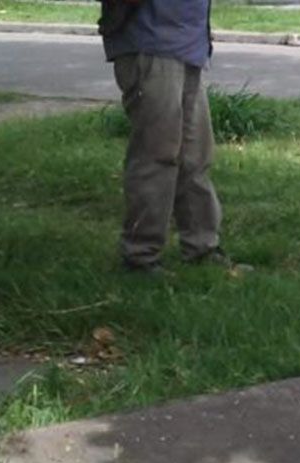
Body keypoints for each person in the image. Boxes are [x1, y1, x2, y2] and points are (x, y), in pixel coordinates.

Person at [99, 0, 235, 274]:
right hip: (149, 44)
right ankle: (140, 256)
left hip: (189, 47)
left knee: (195, 156)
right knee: (157, 153)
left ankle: (202, 247)